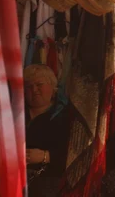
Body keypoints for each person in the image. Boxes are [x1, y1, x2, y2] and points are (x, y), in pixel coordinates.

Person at [24, 64, 69, 196]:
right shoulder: (15, 114)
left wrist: (45, 156)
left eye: (39, 84)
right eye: (29, 86)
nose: (34, 90)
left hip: (48, 187)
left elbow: (74, 156)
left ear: (53, 87)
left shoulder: (65, 117)